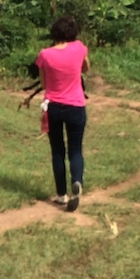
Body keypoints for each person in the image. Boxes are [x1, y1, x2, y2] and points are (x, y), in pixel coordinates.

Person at [36, 16, 90, 212]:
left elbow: (44, 84)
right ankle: (77, 181)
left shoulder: (45, 54)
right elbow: (86, 67)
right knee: (75, 150)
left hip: (54, 107)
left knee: (58, 151)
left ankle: (61, 194)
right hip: (76, 105)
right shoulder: (79, 48)